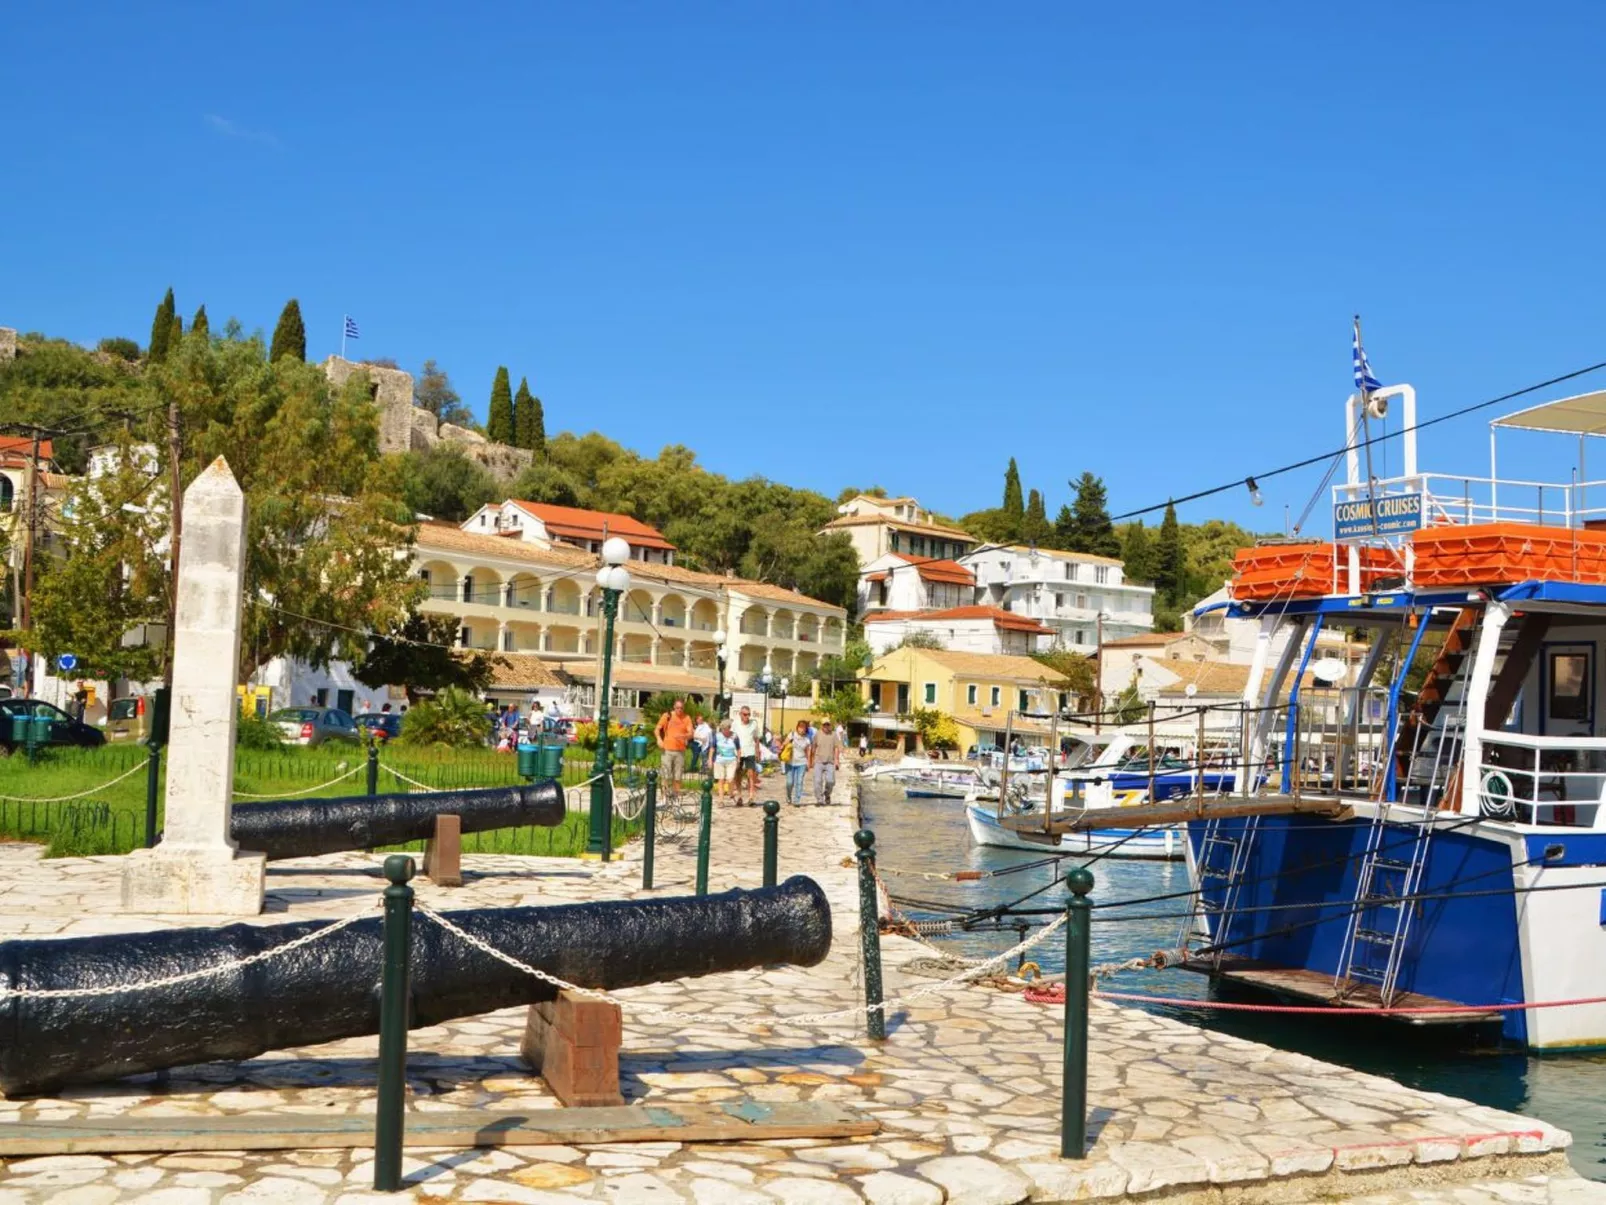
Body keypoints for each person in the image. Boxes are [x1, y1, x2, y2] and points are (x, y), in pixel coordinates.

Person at [654, 698, 695, 797]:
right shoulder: (667, 716)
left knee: (678, 776)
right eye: (677, 708)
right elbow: (657, 729)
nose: (679, 710)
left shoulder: (687, 718)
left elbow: (691, 733)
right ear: (674, 707)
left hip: (680, 751)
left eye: (681, 708)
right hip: (667, 750)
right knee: (665, 775)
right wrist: (659, 739)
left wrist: (684, 736)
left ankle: (675, 796)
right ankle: (664, 796)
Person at [730, 705, 762, 805]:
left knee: (751, 774)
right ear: (740, 714)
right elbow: (732, 737)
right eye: (745, 714)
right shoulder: (735, 724)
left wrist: (757, 751)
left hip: (750, 751)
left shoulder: (754, 724)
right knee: (738, 774)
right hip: (738, 752)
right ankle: (739, 796)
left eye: (748, 714)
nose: (747, 716)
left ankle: (751, 796)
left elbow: (756, 738)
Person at [810, 717, 842, 804]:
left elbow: (836, 748)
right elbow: (813, 747)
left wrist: (837, 760)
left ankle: (827, 794)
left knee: (831, 781)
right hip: (818, 761)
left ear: (830, 725)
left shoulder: (834, 734)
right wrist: (811, 760)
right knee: (817, 781)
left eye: (828, 724)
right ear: (821, 725)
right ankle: (819, 799)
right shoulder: (817, 734)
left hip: (830, 762)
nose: (826, 726)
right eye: (824, 725)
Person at [779, 719, 811, 806]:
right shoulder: (792, 735)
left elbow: (808, 751)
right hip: (790, 762)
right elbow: (784, 743)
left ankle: (797, 800)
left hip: (801, 763)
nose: (801, 729)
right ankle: (788, 796)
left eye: (803, 728)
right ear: (797, 727)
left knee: (799, 781)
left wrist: (808, 762)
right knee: (790, 782)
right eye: (800, 727)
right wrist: (781, 748)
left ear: (806, 729)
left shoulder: (807, 739)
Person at [712, 719, 739, 800]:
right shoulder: (717, 736)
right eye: (723, 729)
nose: (724, 730)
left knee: (730, 779)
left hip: (731, 760)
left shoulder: (734, 736)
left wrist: (739, 759)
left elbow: (738, 748)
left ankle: (731, 792)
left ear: (729, 728)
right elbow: (712, 748)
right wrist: (710, 759)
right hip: (719, 760)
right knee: (721, 780)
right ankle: (721, 800)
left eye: (726, 728)